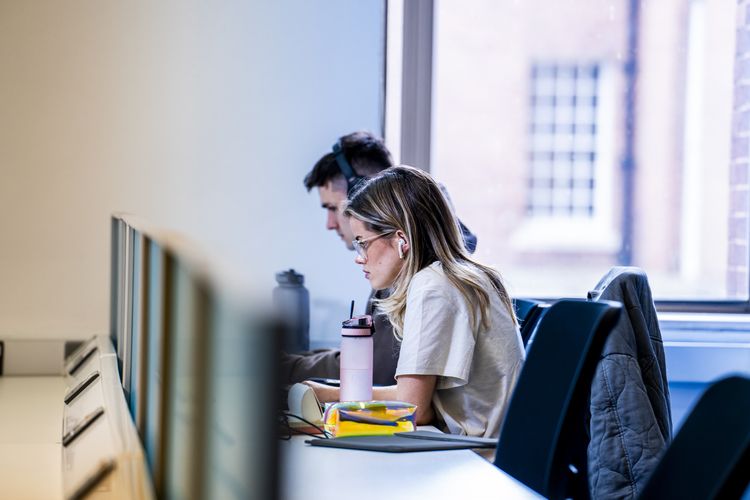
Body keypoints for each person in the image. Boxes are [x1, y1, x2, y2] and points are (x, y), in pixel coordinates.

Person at [305, 166, 524, 439]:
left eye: (363, 243)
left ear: (401, 240)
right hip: (481, 448)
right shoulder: (460, 277)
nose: (358, 257)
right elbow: (424, 405)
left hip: (476, 457)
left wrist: (323, 394)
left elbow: (413, 409)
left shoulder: (432, 285)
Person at [282, 132, 477, 387]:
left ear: (362, 192)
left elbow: (377, 370)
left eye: (333, 208)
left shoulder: (420, 272)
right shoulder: (415, 260)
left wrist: (286, 370)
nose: (330, 224)